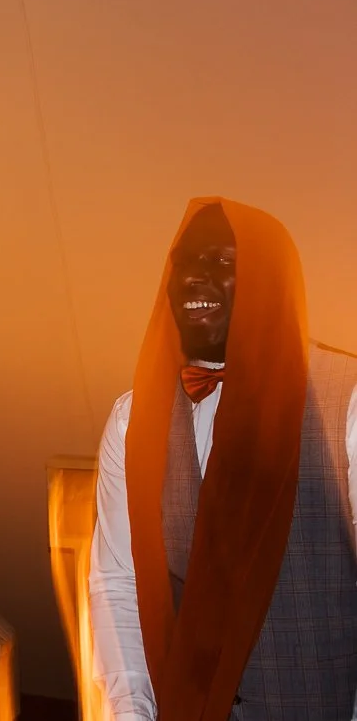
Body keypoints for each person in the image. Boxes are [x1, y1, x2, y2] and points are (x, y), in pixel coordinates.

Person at [90, 198, 357, 721]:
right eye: (184, 261)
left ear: (268, 279)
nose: (194, 276)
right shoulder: (132, 420)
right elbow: (116, 580)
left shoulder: (346, 403)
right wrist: (132, 713)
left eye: (220, 260)